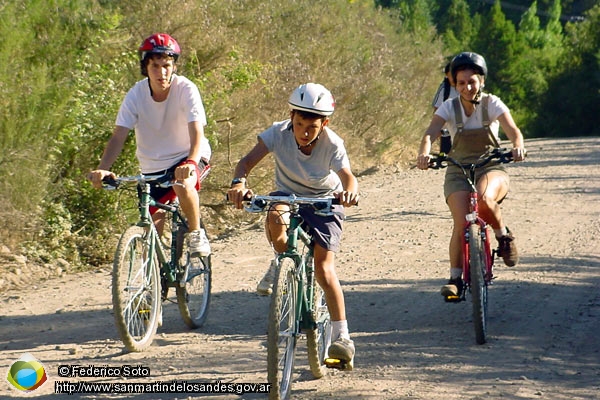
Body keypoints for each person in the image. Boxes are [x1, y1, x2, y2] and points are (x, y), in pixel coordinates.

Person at [227, 83, 359, 367]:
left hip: (324, 201)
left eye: (312, 126)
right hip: (287, 195)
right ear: (291, 117)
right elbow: (246, 162)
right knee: (276, 216)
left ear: (324, 123)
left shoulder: (333, 143)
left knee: (324, 268)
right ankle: (281, 263)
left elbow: (347, 176)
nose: (304, 131)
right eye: (299, 124)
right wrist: (239, 183)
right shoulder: (277, 132)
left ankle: (342, 336)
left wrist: (349, 192)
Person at [87, 33, 211, 258]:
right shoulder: (136, 94)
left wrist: (191, 161)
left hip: (188, 155)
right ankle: (154, 281)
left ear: (174, 66)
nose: (162, 72)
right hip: (152, 166)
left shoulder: (186, 89)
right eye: (155, 66)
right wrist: (103, 167)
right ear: (146, 67)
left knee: (182, 184)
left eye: (167, 65)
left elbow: (196, 131)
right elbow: (118, 137)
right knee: (150, 233)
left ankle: (196, 233)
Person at [416, 52, 526, 300]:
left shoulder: (492, 104)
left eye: (472, 81)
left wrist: (518, 146)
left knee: (485, 200)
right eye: (461, 82)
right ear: (454, 84)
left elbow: (514, 131)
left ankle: (503, 236)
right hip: (458, 168)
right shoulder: (448, 107)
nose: (467, 87)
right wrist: (424, 154)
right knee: (460, 221)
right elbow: (430, 133)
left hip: (490, 166)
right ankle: (455, 278)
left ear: (482, 81)